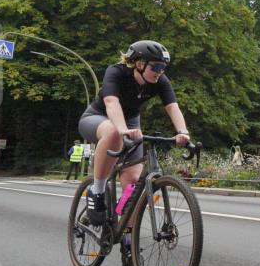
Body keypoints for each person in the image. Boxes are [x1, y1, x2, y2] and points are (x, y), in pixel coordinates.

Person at [77, 40, 190, 225]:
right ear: (139, 63)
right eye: (157, 66)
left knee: (133, 186)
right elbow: (111, 103)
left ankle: (127, 238)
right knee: (113, 133)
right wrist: (122, 130)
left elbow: (173, 107)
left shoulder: (160, 80)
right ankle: (97, 190)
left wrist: (183, 132)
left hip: (130, 121)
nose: (160, 71)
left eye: (164, 67)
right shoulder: (117, 72)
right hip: (98, 116)